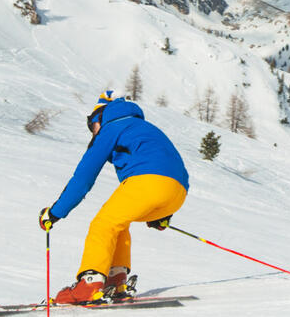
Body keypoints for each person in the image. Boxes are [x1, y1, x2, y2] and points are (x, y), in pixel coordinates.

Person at [39, 91, 190, 305]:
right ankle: (116, 281)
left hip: (146, 182)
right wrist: (163, 213)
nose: (92, 132)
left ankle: (89, 284)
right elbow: (172, 164)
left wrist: (55, 213)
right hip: (178, 192)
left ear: (99, 116)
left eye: (92, 126)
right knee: (118, 222)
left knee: (103, 224)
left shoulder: (112, 127)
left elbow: (83, 178)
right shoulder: (146, 128)